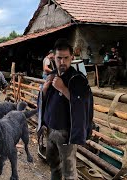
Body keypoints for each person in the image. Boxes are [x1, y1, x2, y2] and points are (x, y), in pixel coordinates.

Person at [37, 39, 93, 180]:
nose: (62, 62)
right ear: (53, 58)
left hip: (66, 133)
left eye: (66, 58)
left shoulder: (78, 79)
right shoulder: (51, 76)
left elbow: (84, 104)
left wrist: (63, 89)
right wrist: (44, 90)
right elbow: (44, 100)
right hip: (50, 129)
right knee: (53, 164)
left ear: (72, 58)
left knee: (69, 171)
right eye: (59, 58)